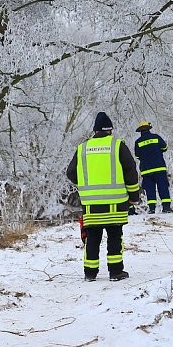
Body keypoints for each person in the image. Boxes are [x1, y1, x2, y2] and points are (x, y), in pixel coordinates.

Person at [66, 112, 140, 282]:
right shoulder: (117, 145)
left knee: (92, 237)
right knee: (115, 235)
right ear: (110, 130)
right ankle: (115, 272)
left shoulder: (83, 148)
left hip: (91, 203)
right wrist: (134, 196)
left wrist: (86, 185)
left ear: (95, 131)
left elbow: (71, 173)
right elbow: (130, 172)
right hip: (115, 202)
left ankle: (90, 273)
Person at [134, 121, 173, 213]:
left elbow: (137, 156)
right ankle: (166, 207)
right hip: (159, 168)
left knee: (150, 189)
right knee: (163, 187)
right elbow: (164, 148)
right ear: (149, 128)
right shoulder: (156, 137)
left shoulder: (138, 142)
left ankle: (152, 209)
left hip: (146, 170)